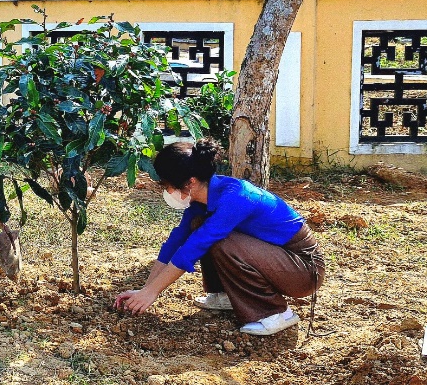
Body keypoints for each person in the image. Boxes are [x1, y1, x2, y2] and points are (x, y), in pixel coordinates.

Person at [113, 139, 324, 336]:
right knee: (200, 228)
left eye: (167, 185)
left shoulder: (235, 197)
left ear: (190, 182)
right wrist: (147, 289)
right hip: (278, 258)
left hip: (303, 268)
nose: (166, 191)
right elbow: (176, 242)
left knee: (217, 240)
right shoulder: (203, 199)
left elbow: (194, 247)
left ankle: (276, 313)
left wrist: (152, 292)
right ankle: (224, 296)